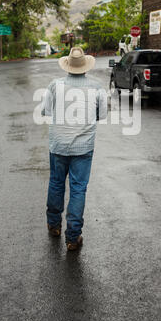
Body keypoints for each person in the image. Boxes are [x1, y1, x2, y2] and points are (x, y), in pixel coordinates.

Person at [41, 47, 107, 251]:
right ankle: (73, 237)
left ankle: (54, 225)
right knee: (78, 188)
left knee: (56, 183)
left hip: (59, 144)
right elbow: (101, 115)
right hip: (83, 147)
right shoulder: (97, 87)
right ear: (85, 66)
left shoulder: (54, 85)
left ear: (68, 65)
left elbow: (47, 111)